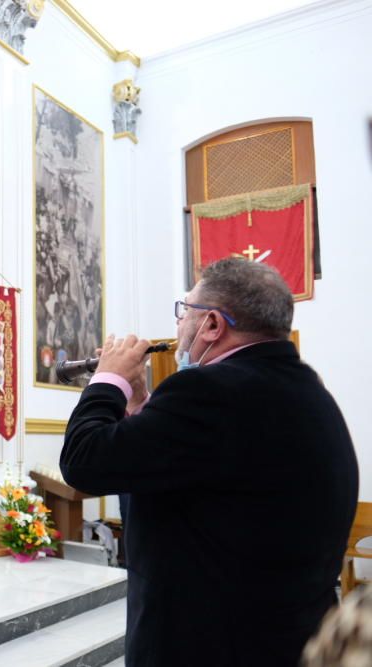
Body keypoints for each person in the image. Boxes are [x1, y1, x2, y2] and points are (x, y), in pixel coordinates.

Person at [59, 257, 357, 667]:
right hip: (287, 640)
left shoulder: (208, 392)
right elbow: (186, 479)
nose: (180, 328)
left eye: (185, 312)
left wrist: (108, 379)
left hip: (209, 645)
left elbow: (83, 461)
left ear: (212, 325)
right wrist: (140, 405)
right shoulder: (310, 393)